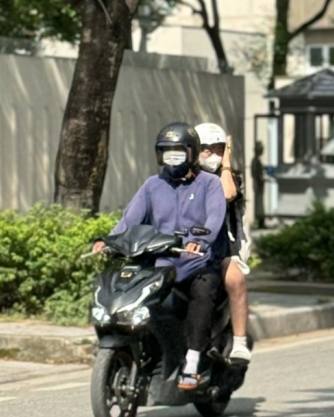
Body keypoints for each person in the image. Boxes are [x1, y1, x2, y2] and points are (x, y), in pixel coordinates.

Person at [91, 122, 226, 391]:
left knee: (203, 292)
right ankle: (147, 353)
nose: (172, 159)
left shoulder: (210, 184)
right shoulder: (153, 185)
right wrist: (108, 241)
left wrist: (200, 241)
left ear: (191, 153)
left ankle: (192, 361)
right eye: (167, 153)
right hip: (161, 264)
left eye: (178, 153)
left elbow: (214, 218)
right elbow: (129, 220)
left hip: (196, 263)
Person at [195, 123, 251, 364]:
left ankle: (239, 342)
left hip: (220, 249)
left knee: (235, 279)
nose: (213, 154)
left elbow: (227, 194)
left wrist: (226, 161)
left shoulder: (229, 177)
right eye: (207, 149)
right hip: (185, 248)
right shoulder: (186, 176)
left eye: (219, 149)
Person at [251, 141, 266, 229]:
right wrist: (263, 178)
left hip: (258, 184)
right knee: (259, 203)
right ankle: (260, 222)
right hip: (258, 185)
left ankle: (260, 221)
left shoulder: (255, 161)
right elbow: (257, 174)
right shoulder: (256, 161)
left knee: (260, 203)